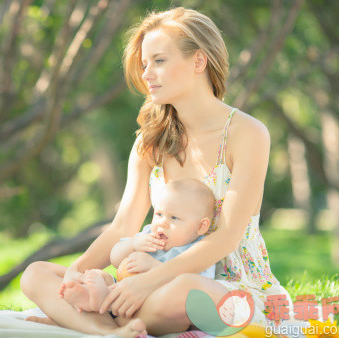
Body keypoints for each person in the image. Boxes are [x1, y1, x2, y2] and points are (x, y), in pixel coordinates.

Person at [21, 6, 290, 337]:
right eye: (145, 64)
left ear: (198, 61)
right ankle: (111, 331)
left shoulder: (247, 133)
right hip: (144, 281)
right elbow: (122, 228)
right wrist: (77, 272)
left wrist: (149, 282)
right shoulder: (150, 142)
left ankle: (90, 322)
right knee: (36, 274)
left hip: (221, 286)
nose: (147, 73)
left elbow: (226, 236)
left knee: (186, 291)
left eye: (159, 61)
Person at [61, 178, 216, 314]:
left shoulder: (199, 250)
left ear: (201, 226)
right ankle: (93, 296)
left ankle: (101, 303)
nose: (162, 222)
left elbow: (196, 287)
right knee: (100, 276)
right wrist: (133, 244)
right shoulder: (148, 235)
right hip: (123, 288)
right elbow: (115, 258)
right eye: (159, 214)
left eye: (174, 218)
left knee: (169, 300)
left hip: (156, 301)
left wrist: (154, 267)